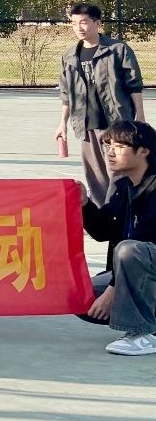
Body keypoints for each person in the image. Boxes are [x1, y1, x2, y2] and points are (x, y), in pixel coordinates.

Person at [79, 120, 156, 356]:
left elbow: (144, 243)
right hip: (139, 270)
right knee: (82, 296)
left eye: (120, 147)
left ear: (144, 151)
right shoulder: (124, 188)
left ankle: (143, 333)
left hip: (147, 265)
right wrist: (84, 203)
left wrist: (113, 290)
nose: (110, 152)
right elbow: (102, 231)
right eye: (108, 146)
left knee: (130, 250)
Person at [59, 2, 146, 205]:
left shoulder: (118, 50)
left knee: (119, 170)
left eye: (84, 22)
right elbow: (66, 93)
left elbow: (134, 85)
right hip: (85, 123)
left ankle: (124, 211)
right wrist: (62, 123)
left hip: (115, 122)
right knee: (95, 175)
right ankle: (103, 214)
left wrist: (140, 117)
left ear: (97, 23)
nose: (79, 28)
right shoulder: (69, 56)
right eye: (74, 24)